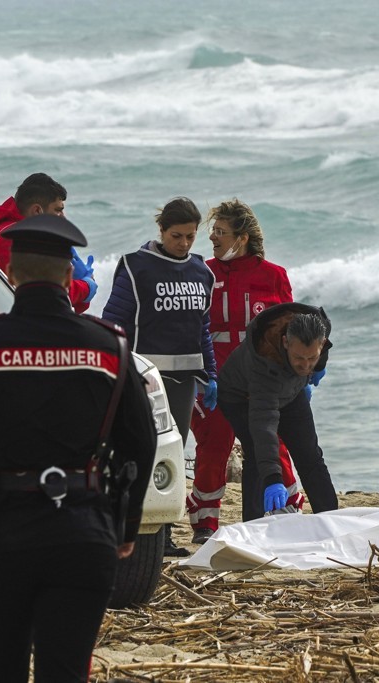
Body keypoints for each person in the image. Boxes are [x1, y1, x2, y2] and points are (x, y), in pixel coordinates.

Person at [0, 214, 157, 683]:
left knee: (2, 670)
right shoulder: (109, 348)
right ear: (69, 277)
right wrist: (125, 524)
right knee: (65, 672)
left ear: (11, 274)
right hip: (84, 532)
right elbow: (140, 445)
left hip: (2, 532)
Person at [102, 196, 216, 557]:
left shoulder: (203, 273)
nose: (183, 244)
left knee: (172, 455)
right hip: (143, 382)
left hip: (183, 383)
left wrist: (210, 374)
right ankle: (128, 531)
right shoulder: (137, 267)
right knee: (138, 454)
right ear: (161, 230)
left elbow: (203, 328)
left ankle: (162, 536)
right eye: (176, 236)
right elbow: (114, 321)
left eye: (190, 237)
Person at [187, 200, 307, 544]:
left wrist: (301, 375)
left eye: (220, 232)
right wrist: (200, 374)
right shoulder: (202, 273)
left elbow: (291, 329)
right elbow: (191, 326)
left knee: (273, 442)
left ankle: (287, 509)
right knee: (214, 444)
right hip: (214, 378)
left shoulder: (273, 276)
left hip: (264, 380)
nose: (212, 237)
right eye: (213, 231)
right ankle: (204, 521)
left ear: (241, 238)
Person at [217, 302, 339, 521]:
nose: (305, 365)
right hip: (240, 396)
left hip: (291, 390)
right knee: (256, 453)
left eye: (311, 358)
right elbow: (264, 428)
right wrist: (274, 479)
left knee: (309, 454)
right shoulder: (265, 362)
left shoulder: (320, 330)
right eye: (299, 358)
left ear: (322, 344)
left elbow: (319, 354)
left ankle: (331, 518)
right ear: (285, 342)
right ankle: (253, 525)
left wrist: (318, 367)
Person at [0, 172, 98, 313]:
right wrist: (86, 287)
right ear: (37, 210)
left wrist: (78, 289)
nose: (63, 218)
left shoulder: (7, 232)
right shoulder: (15, 239)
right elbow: (47, 294)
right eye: (58, 210)